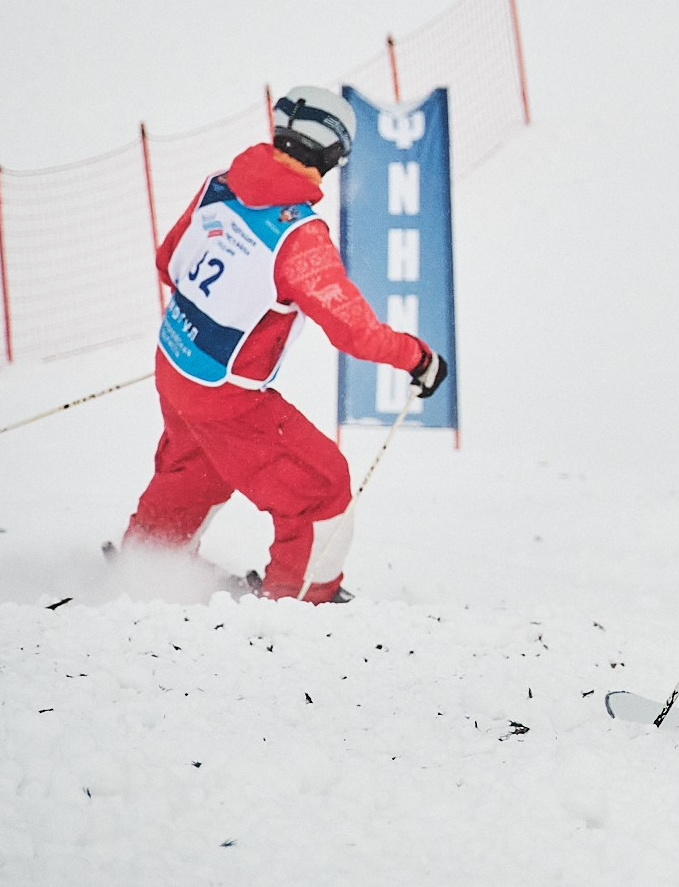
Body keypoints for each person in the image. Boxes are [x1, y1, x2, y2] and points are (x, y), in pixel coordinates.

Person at [119, 86, 448, 602]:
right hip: (224, 393)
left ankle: (146, 563)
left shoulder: (220, 185)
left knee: (197, 466)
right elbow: (353, 331)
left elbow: (168, 262)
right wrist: (418, 357)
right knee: (321, 486)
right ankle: (300, 603)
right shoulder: (299, 237)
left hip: (177, 361)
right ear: (332, 154)